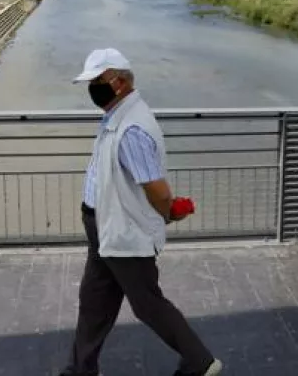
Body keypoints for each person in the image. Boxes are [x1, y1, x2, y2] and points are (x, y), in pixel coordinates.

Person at [60, 48, 223, 376]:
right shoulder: (117, 116)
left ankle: (200, 362)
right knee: (94, 302)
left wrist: (169, 211)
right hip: (104, 228)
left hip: (121, 230)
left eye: (96, 81)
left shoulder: (131, 128)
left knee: (147, 303)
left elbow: (157, 189)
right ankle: (80, 370)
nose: (92, 88)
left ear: (119, 83)